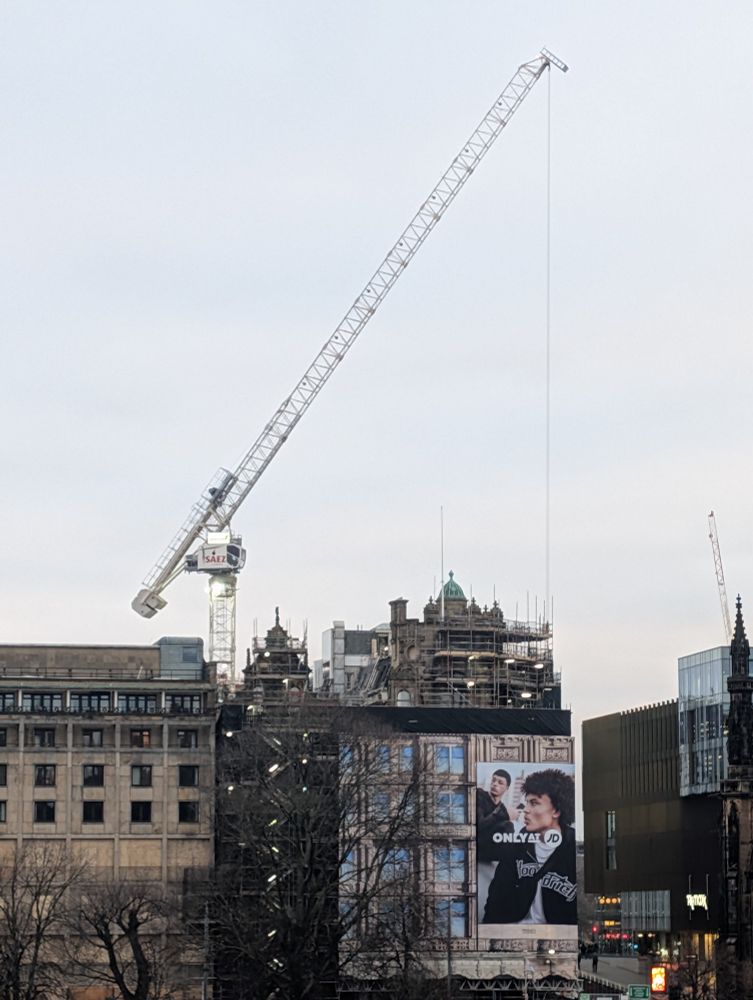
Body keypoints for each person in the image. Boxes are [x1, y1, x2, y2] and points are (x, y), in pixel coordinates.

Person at [482, 768, 576, 925]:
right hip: (513, 937)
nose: (525, 810)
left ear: (556, 811)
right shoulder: (516, 846)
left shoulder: (572, 847)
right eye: (527, 802)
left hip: (556, 939)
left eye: (534, 803)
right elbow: (494, 904)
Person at [476, 768, 514, 861]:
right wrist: (500, 815)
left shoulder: (502, 808)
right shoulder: (479, 795)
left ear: (507, 788)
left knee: (509, 826)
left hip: (492, 852)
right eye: (493, 780)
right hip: (477, 847)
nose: (495, 784)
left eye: (500, 783)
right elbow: (479, 825)